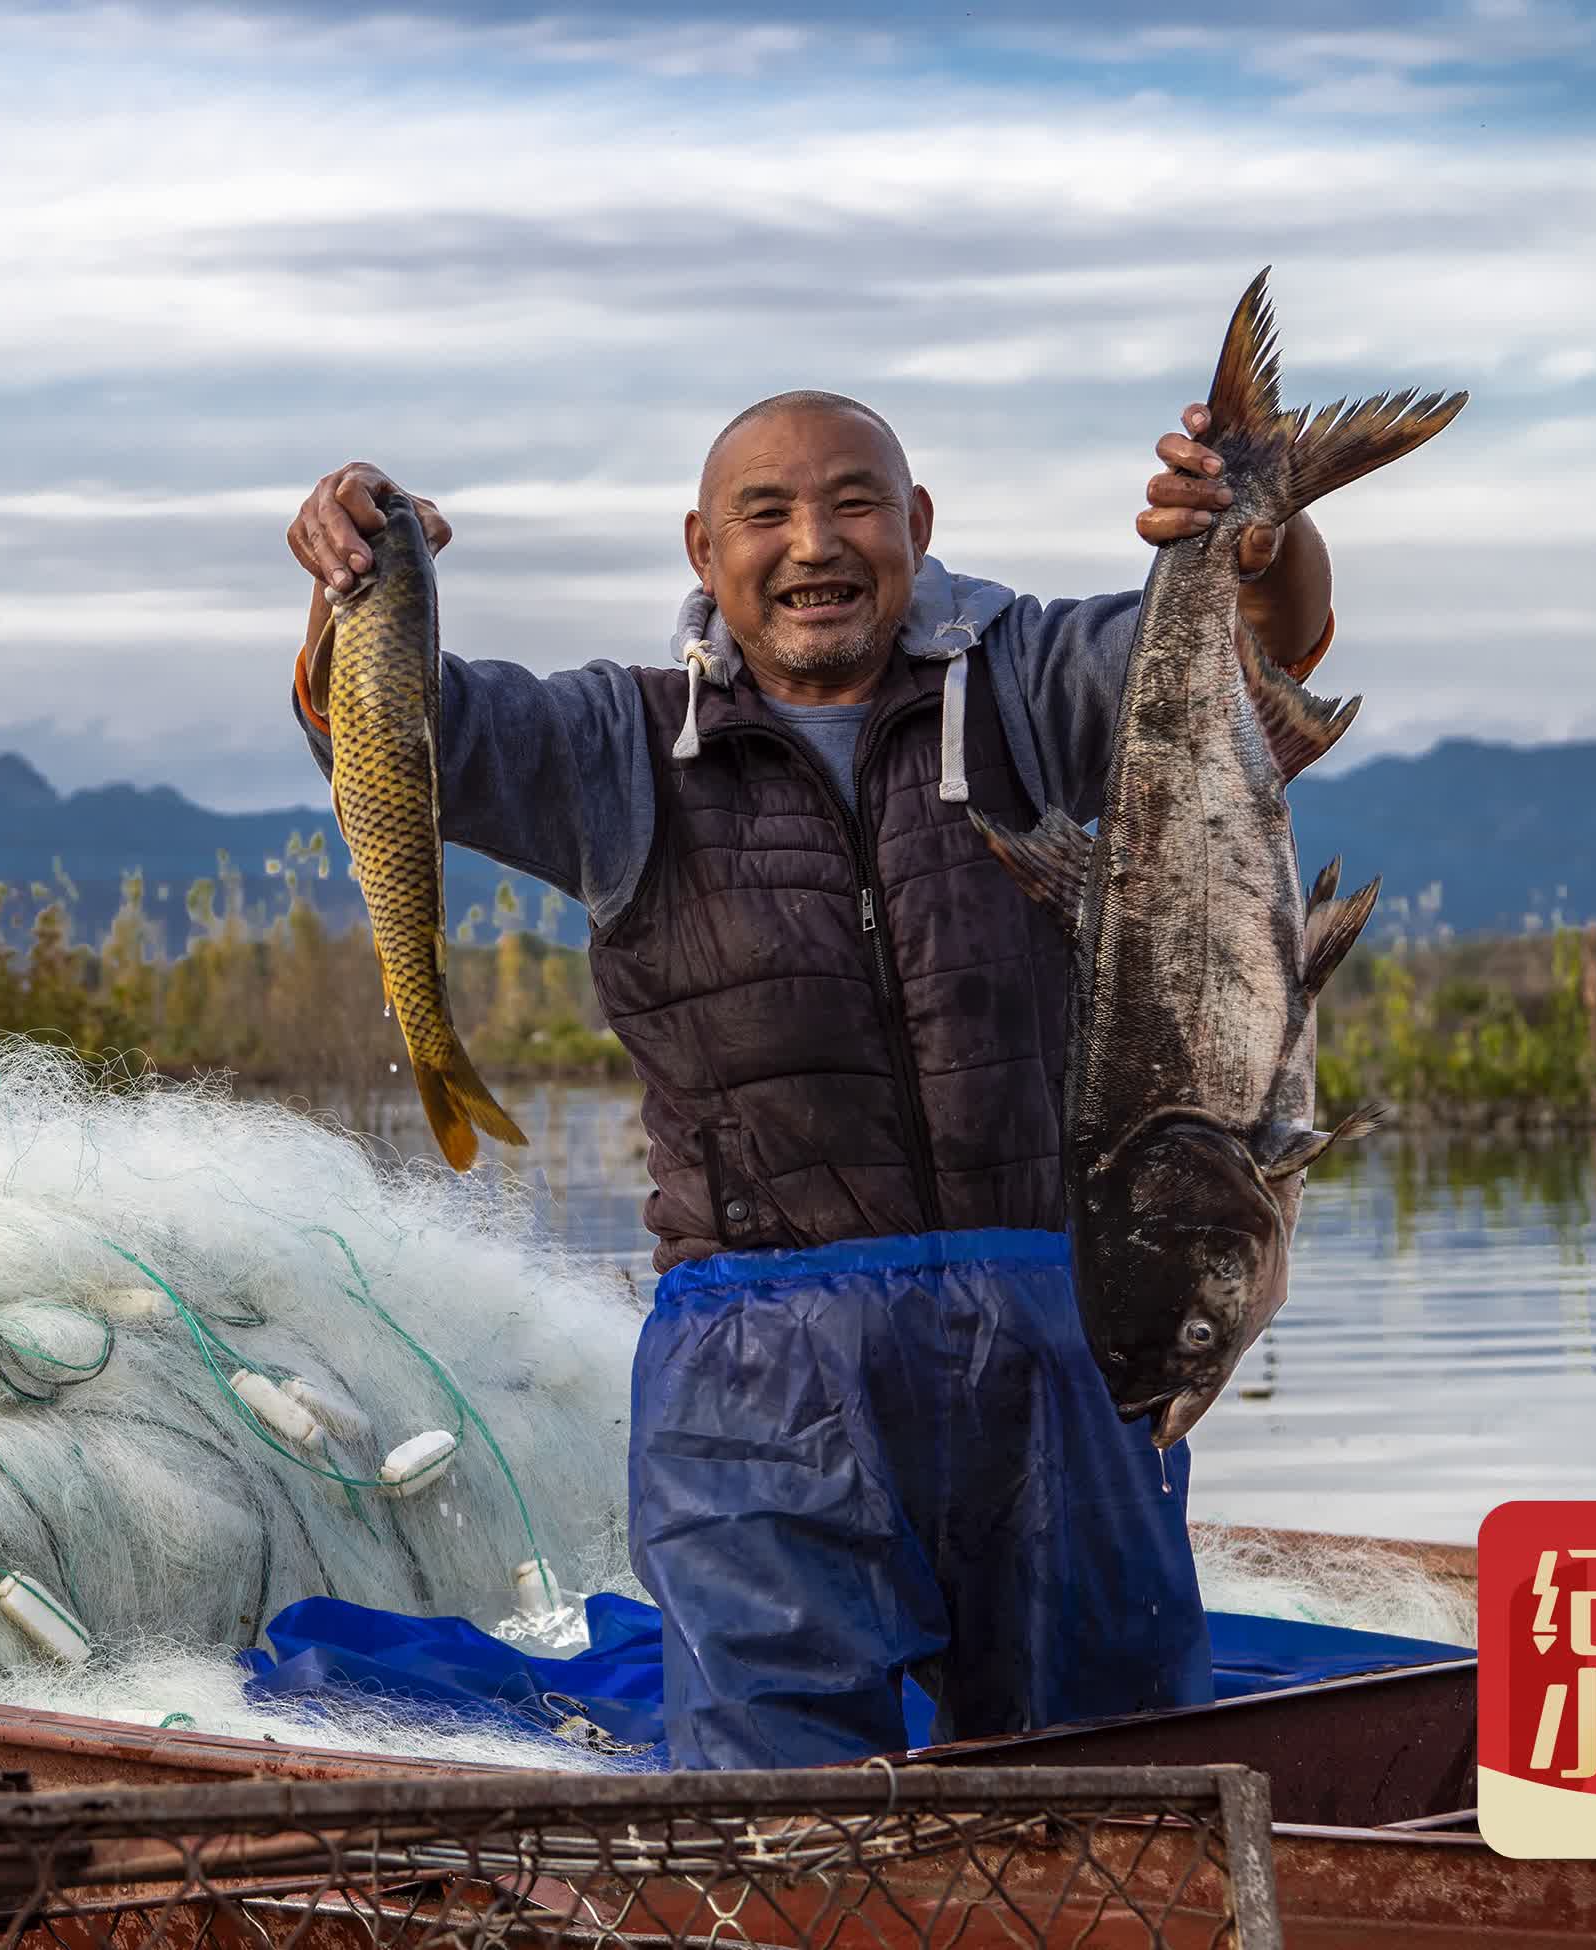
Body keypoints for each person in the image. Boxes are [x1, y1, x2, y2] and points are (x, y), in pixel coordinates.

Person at [280, 394, 1336, 1769]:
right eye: (766, 514)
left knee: (1113, 1780)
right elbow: (389, 727)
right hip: (761, 1383)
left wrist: (1266, 536)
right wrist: (357, 581)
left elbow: (1256, 650)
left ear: (918, 526)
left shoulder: (1023, 683)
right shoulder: (618, 744)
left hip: (1064, 1347)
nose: (813, 543)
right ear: (703, 552)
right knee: (784, 1808)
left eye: (852, 503)